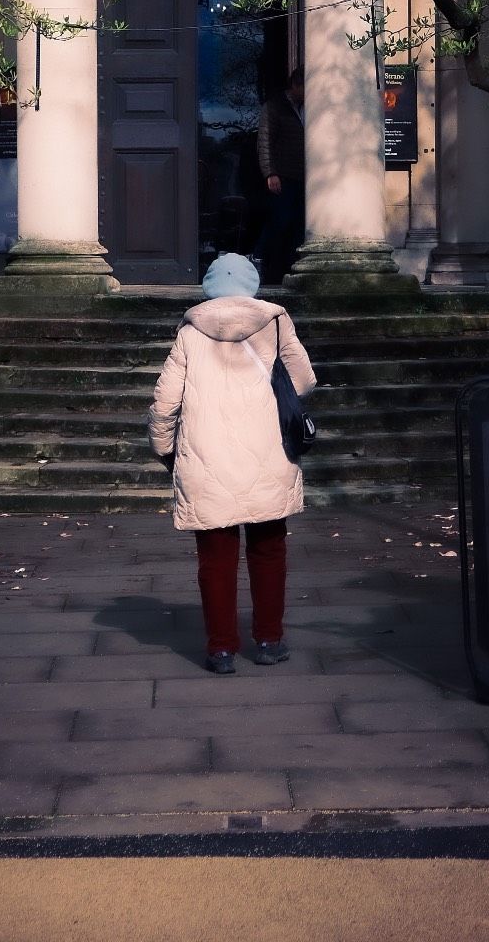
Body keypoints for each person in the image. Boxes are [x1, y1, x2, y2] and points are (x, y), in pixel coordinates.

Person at [148, 251, 316, 673]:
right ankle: (269, 640)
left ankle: (221, 648)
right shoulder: (276, 321)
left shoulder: (190, 330)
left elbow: (166, 400)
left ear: (209, 287)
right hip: (268, 452)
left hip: (207, 458)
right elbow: (304, 379)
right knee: (268, 550)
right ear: (253, 284)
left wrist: (163, 447)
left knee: (216, 557)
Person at [256, 66, 305, 283]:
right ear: (295, 84)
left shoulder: (307, 107)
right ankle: (261, 264)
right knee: (279, 222)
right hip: (283, 176)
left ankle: (288, 269)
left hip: (304, 177)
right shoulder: (275, 107)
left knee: (297, 226)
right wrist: (271, 172)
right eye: (305, 88)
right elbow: (264, 141)